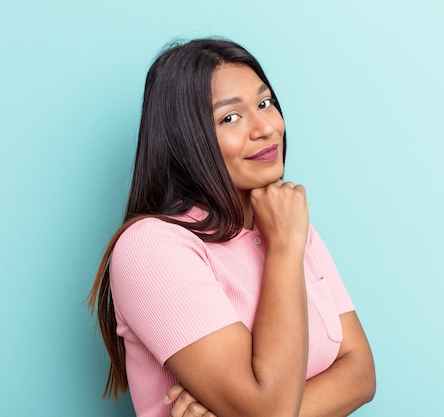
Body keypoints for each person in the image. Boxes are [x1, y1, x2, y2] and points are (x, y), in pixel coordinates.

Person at [88, 37, 375, 417]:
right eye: (230, 117)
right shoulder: (153, 247)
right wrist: (285, 250)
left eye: (264, 103)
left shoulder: (286, 222)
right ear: (187, 140)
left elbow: (362, 373)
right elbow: (268, 410)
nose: (264, 128)